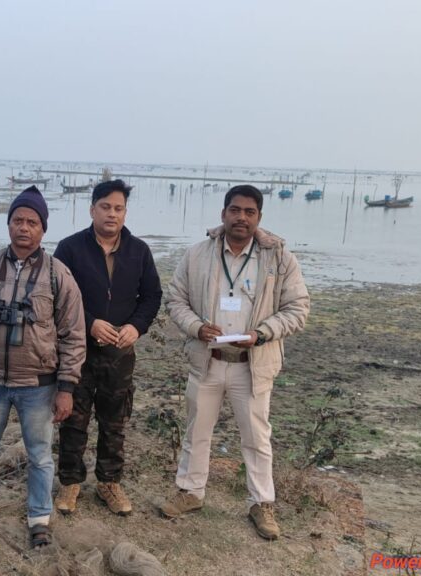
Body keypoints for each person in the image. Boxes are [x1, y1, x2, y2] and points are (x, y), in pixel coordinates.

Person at [161, 185, 309, 540]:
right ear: (223, 213)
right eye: (235, 210)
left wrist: (261, 333)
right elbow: (175, 299)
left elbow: (298, 309)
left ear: (259, 217)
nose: (241, 217)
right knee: (197, 431)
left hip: (252, 364)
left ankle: (261, 503)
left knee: (257, 437)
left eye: (249, 212)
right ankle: (190, 492)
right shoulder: (198, 254)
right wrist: (196, 327)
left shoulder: (279, 258)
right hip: (207, 360)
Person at [0, 186, 86, 550]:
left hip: (39, 385)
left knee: (40, 455)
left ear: (43, 229)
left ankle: (39, 518)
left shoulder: (58, 275)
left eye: (32, 222)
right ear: (8, 224)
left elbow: (73, 335)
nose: (24, 227)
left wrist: (66, 387)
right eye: (18, 220)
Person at [52, 179, 162, 516]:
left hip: (120, 353)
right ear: (92, 209)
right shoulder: (70, 249)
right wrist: (89, 322)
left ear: (125, 213)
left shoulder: (139, 251)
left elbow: (152, 297)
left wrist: (135, 327)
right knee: (74, 419)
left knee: (115, 421)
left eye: (118, 208)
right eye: (105, 207)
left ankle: (109, 482)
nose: (112, 214)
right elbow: (56, 296)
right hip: (78, 350)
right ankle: (70, 482)